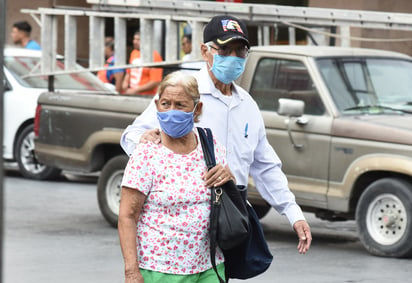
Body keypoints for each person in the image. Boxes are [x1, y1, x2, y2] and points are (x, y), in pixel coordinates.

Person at [120, 15, 312, 254]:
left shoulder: (247, 105)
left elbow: (265, 166)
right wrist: (144, 140)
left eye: (239, 52)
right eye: (224, 50)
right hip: (180, 231)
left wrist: (293, 213)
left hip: (229, 223)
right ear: (205, 51)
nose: (232, 58)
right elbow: (133, 135)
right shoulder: (183, 95)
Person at [118, 71, 235, 282]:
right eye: (165, 104)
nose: (171, 111)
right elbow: (127, 216)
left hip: (210, 265)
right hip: (160, 269)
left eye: (180, 105)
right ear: (157, 106)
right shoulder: (146, 153)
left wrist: (229, 176)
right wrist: (131, 271)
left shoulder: (210, 143)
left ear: (197, 109)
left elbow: (228, 193)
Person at [122, 31, 163, 95]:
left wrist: (135, 90)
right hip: (132, 94)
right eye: (134, 39)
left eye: (138, 40)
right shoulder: (134, 52)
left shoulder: (155, 56)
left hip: (146, 96)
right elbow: (129, 72)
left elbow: (155, 81)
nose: (134, 42)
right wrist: (125, 84)